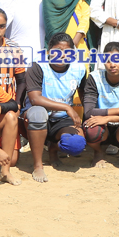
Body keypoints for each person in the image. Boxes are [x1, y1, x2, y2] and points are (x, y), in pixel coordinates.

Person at [22, 33, 89, 182]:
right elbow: (35, 99)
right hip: (38, 115)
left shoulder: (79, 68)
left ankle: (53, 147)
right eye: (57, 51)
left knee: (76, 145)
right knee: (38, 113)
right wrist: (67, 108)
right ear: (49, 50)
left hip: (62, 119)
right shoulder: (37, 65)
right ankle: (38, 165)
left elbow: (85, 95)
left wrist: (90, 117)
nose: (62, 55)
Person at [80, 41, 119, 168]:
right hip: (101, 125)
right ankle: (98, 152)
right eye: (108, 60)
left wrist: (107, 118)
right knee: (91, 130)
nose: (112, 65)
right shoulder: (94, 78)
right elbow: (88, 112)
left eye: (117, 60)